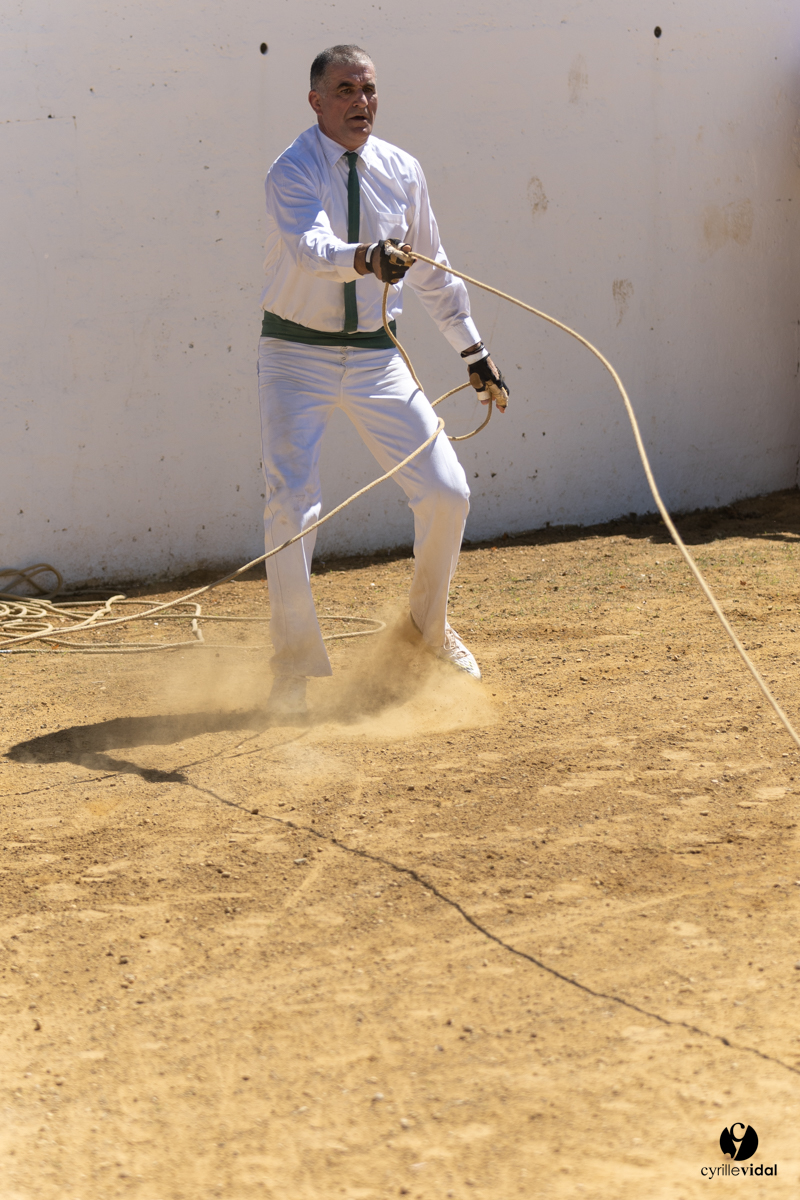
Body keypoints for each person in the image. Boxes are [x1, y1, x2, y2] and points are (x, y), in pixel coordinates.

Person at [258, 44, 508, 715]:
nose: (360, 102)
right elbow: (311, 250)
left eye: (368, 89)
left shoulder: (402, 170)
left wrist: (473, 350)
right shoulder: (292, 168)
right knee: (291, 504)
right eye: (345, 90)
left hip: (376, 355)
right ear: (316, 101)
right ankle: (292, 667)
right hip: (295, 355)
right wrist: (367, 256)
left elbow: (433, 268)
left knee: (448, 492)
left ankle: (428, 630)